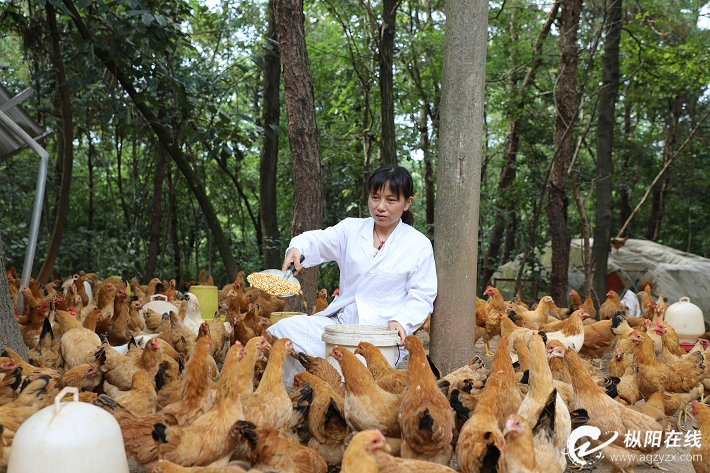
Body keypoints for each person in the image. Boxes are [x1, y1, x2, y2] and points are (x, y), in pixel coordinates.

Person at [266, 165, 437, 384]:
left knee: (355, 377)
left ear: (408, 203)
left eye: (391, 200)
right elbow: (317, 240)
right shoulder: (351, 230)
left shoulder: (418, 245)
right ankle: (297, 390)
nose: (381, 207)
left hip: (381, 336)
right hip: (340, 324)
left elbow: (422, 295)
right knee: (283, 332)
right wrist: (297, 249)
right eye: (375, 198)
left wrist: (402, 321)